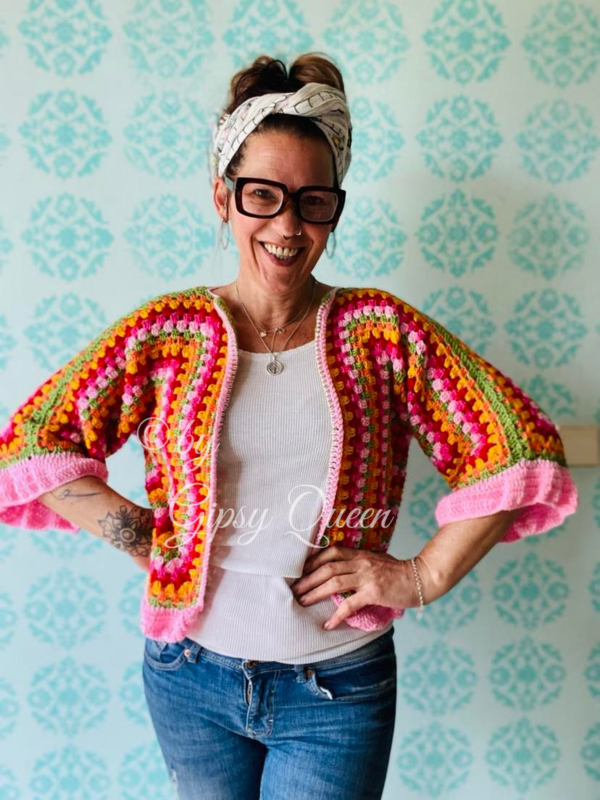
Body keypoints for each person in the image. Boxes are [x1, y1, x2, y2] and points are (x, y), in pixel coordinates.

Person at [0, 53, 579, 800]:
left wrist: (422, 576)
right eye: (262, 195)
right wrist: (147, 539)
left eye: (312, 201)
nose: (287, 225)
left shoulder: (381, 332)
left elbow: (518, 447)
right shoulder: (167, 334)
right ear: (223, 197)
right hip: (188, 678)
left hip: (336, 690)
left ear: (334, 208)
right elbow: (37, 440)